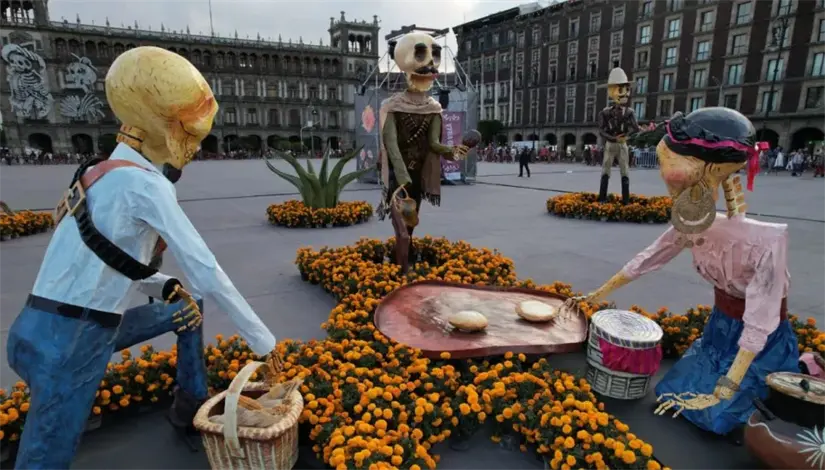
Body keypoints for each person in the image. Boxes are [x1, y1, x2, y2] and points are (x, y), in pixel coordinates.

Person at [6, 46, 280, 469]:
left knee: (188, 308)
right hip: (75, 343)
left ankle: (189, 400)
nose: (192, 149)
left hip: (33, 329)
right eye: (188, 135)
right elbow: (206, 268)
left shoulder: (94, 172)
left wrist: (162, 285)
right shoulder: (148, 186)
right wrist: (263, 341)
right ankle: (188, 405)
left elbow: (99, 257)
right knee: (42, 462)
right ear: (162, 129)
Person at [567, 107, 798, 436]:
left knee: (718, 416)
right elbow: (649, 259)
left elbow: (760, 321)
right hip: (720, 328)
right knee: (671, 393)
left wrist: (726, 388)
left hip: (760, 344)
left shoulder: (768, 240)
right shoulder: (691, 224)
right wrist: (595, 295)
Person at [376, 32, 468, 273]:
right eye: (420, 55)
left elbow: (434, 145)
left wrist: (454, 152)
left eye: (433, 58)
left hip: (416, 179)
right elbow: (391, 145)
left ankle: (398, 268)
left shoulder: (433, 108)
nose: (427, 66)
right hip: (399, 179)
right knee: (403, 233)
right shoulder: (391, 106)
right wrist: (401, 173)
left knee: (410, 228)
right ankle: (403, 276)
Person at [597, 67, 640, 204]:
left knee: (625, 171)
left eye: (627, 90)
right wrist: (611, 138)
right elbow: (601, 130)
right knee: (605, 170)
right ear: (612, 91)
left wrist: (627, 136)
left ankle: (625, 201)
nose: (625, 94)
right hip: (611, 145)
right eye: (621, 90)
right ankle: (602, 198)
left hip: (622, 145)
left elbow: (635, 128)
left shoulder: (629, 112)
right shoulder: (605, 112)